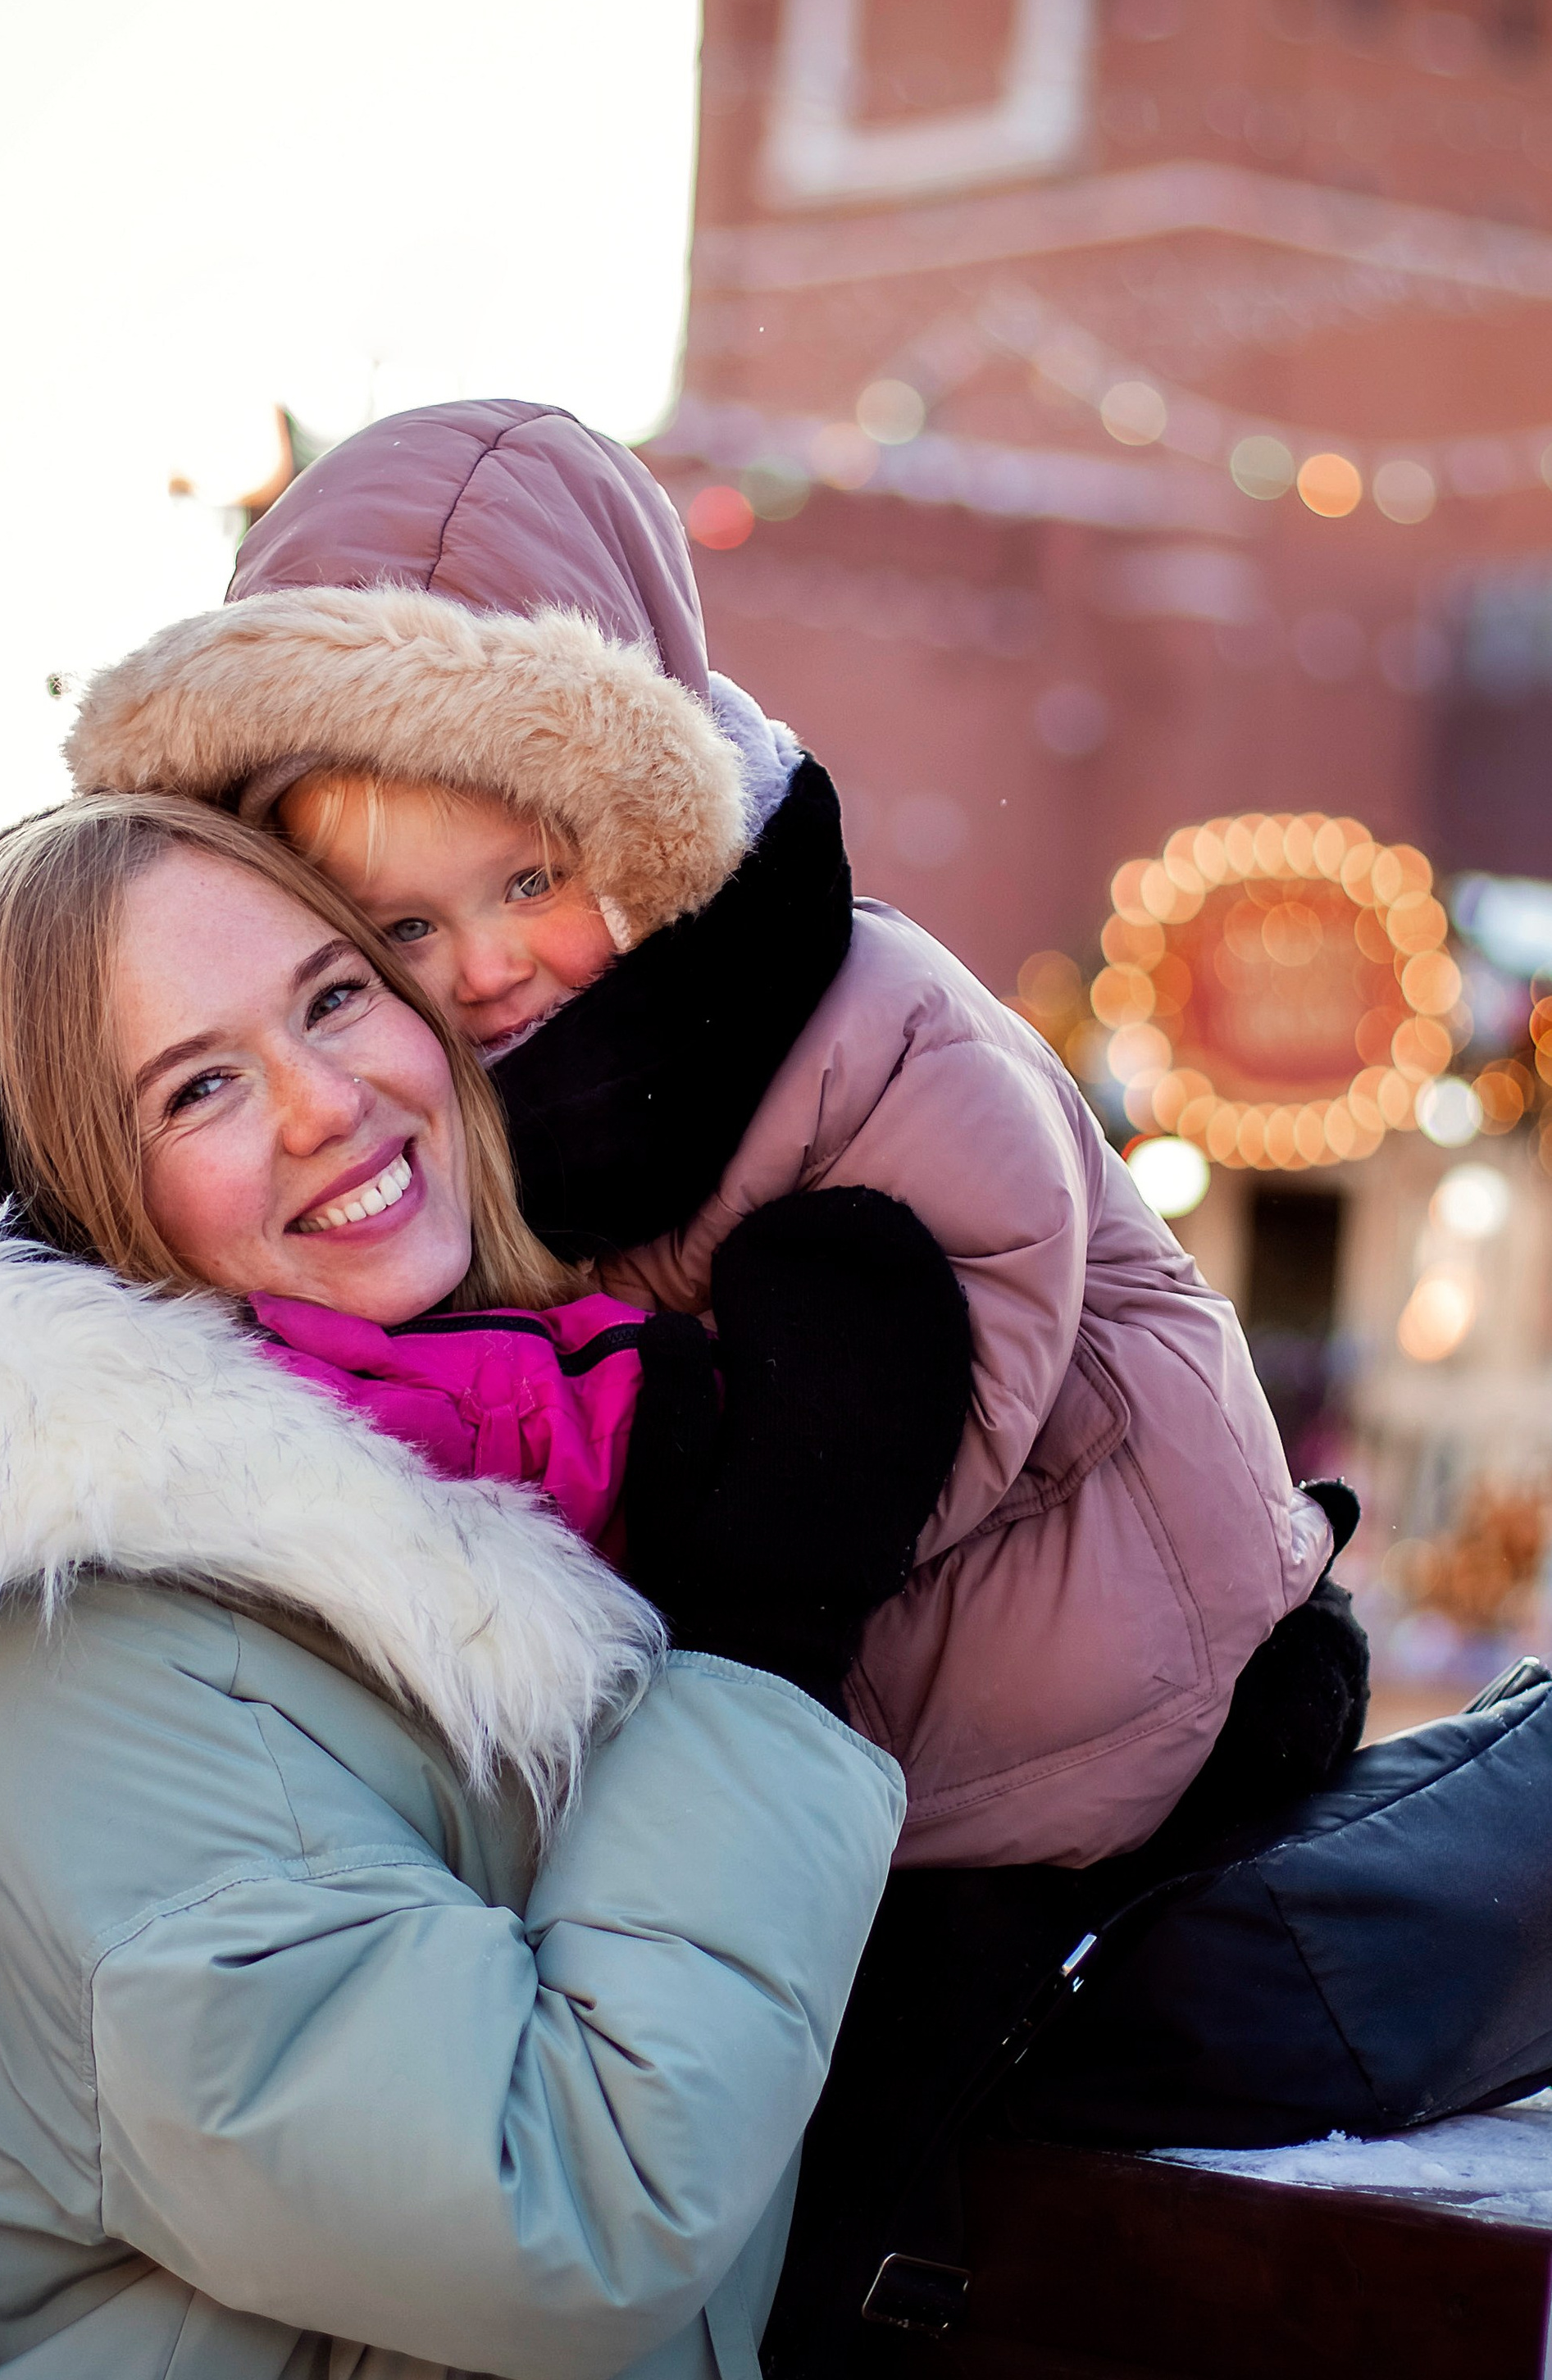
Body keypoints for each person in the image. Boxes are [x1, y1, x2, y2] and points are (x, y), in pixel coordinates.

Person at [0, 794, 907, 2380]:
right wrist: (774, 1627)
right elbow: (555, 2204)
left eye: (331, 996)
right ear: (83, 1215)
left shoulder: (455, 1517)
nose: (322, 1100)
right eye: (194, 1090)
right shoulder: (91, 1669)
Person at [66, 395, 1368, 1873]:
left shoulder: (854, 1009)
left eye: (532, 883)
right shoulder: (429, 1114)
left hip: (1099, 1638)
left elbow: (987, 1296)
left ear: (641, 827)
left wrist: (708, 1506)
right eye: (406, 926)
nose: (485, 967)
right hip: (849, 1728)